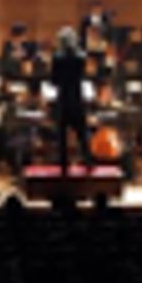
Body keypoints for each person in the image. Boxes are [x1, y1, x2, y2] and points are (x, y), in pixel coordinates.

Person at [51, 26, 91, 174]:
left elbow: (54, 80)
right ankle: (88, 160)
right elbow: (83, 76)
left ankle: (64, 164)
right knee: (82, 132)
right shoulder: (81, 56)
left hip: (63, 98)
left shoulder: (57, 57)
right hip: (77, 97)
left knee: (62, 134)